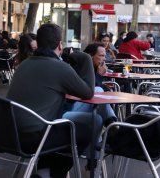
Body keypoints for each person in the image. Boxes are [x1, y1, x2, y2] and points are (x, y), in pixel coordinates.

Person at [7, 23, 102, 178]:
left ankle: (45, 171)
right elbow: (88, 92)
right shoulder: (59, 67)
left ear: (38, 44)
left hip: (10, 135)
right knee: (94, 121)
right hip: (36, 138)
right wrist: (85, 58)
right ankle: (58, 172)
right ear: (59, 44)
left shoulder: (24, 65)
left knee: (63, 121)